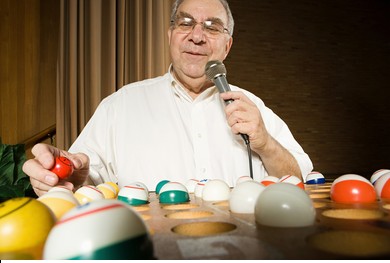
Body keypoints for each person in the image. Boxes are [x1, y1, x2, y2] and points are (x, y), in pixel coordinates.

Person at [23, 0, 313, 197]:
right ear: (170, 35)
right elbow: (82, 178)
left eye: (212, 27)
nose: (197, 36)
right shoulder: (120, 105)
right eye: (185, 23)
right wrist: (68, 179)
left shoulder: (253, 107)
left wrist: (265, 143)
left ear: (227, 47)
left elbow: (298, 179)